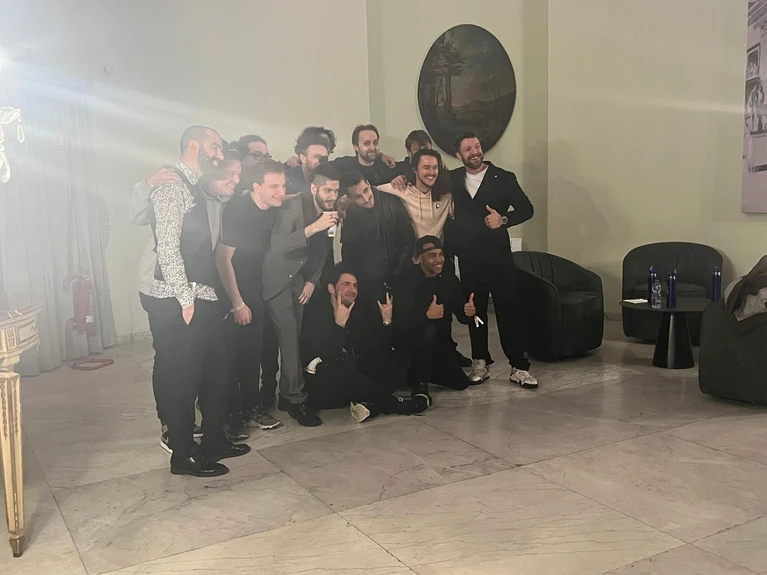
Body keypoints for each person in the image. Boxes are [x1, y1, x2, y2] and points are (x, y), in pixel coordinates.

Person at [144, 125, 250, 477]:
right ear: (194, 146)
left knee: (216, 372)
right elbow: (167, 249)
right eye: (215, 147)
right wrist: (185, 298)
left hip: (205, 295)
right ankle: (183, 455)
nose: (219, 154)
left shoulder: (196, 186)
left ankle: (214, 440)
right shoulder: (171, 186)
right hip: (180, 299)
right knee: (183, 380)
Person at [450, 130, 537, 388]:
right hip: (469, 260)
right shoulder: (451, 179)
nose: (475, 152)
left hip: (499, 259)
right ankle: (480, 361)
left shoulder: (504, 178)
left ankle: (518, 366)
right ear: (458, 155)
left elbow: (527, 209)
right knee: (475, 311)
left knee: (508, 310)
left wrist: (503, 219)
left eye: (477, 146)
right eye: (468, 149)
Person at [262, 163, 341, 426]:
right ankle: (296, 399)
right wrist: (314, 227)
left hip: (301, 281)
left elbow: (323, 252)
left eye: (336, 191)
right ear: (314, 188)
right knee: (289, 340)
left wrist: (311, 282)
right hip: (278, 279)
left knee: (295, 339)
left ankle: (287, 395)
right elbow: (277, 245)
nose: (332, 196)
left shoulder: (330, 213)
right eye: (327, 190)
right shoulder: (293, 209)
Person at [301, 263, 429, 422]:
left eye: (355, 285)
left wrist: (386, 321)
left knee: (400, 356)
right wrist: (339, 326)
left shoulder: (358, 311)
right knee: (340, 364)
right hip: (327, 387)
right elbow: (326, 356)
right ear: (331, 288)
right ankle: (395, 405)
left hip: (356, 381)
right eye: (346, 284)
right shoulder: (316, 313)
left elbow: (376, 348)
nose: (352, 290)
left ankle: (371, 406)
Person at [216, 159, 288, 437]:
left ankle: (250, 408)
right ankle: (234, 415)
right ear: (256, 187)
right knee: (236, 357)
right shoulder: (239, 210)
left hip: (256, 289)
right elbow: (223, 259)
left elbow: (289, 197)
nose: (281, 192)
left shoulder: (269, 206)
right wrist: (237, 303)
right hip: (234, 292)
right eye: (274, 186)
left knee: (253, 354)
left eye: (283, 185)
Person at [399, 236, 477, 391]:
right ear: (420, 259)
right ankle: (415, 376)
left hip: (439, 345)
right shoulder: (406, 281)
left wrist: (469, 312)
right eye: (432, 255)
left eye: (441, 255)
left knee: (461, 382)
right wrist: (425, 316)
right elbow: (400, 321)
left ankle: (420, 373)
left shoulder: (449, 280)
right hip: (412, 345)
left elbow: (462, 317)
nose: (438, 260)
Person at [339, 171, 414, 322]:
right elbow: (348, 252)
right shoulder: (350, 214)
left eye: (366, 190)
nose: (366, 199)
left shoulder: (392, 202)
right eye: (358, 197)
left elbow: (408, 240)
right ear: (350, 199)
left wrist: (396, 273)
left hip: (397, 278)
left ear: (368, 183)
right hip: (366, 284)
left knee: (400, 323)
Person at [332, 124, 400, 186]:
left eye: (375, 143)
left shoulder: (386, 166)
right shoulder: (344, 165)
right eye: (366, 143)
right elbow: (325, 169)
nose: (373, 148)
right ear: (356, 147)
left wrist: (400, 179)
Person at [285, 127, 334, 195]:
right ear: (303, 158)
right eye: (316, 156)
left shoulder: (331, 177)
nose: (321, 161)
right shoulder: (288, 178)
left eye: (324, 158)